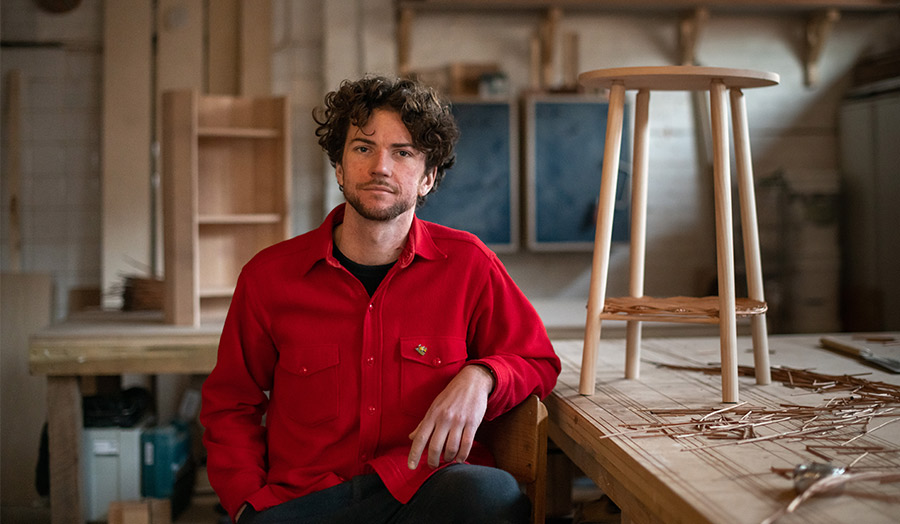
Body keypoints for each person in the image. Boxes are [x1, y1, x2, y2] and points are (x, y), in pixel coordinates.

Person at [200, 75, 561, 524]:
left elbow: (538, 362)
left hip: (422, 492)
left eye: (403, 152)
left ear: (428, 178)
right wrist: (246, 503)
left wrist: (482, 375)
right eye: (363, 147)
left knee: (492, 495)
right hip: (308, 504)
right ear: (339, 168)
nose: (381, 167)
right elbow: (230, 404)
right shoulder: (269, 277)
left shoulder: (469, 265)